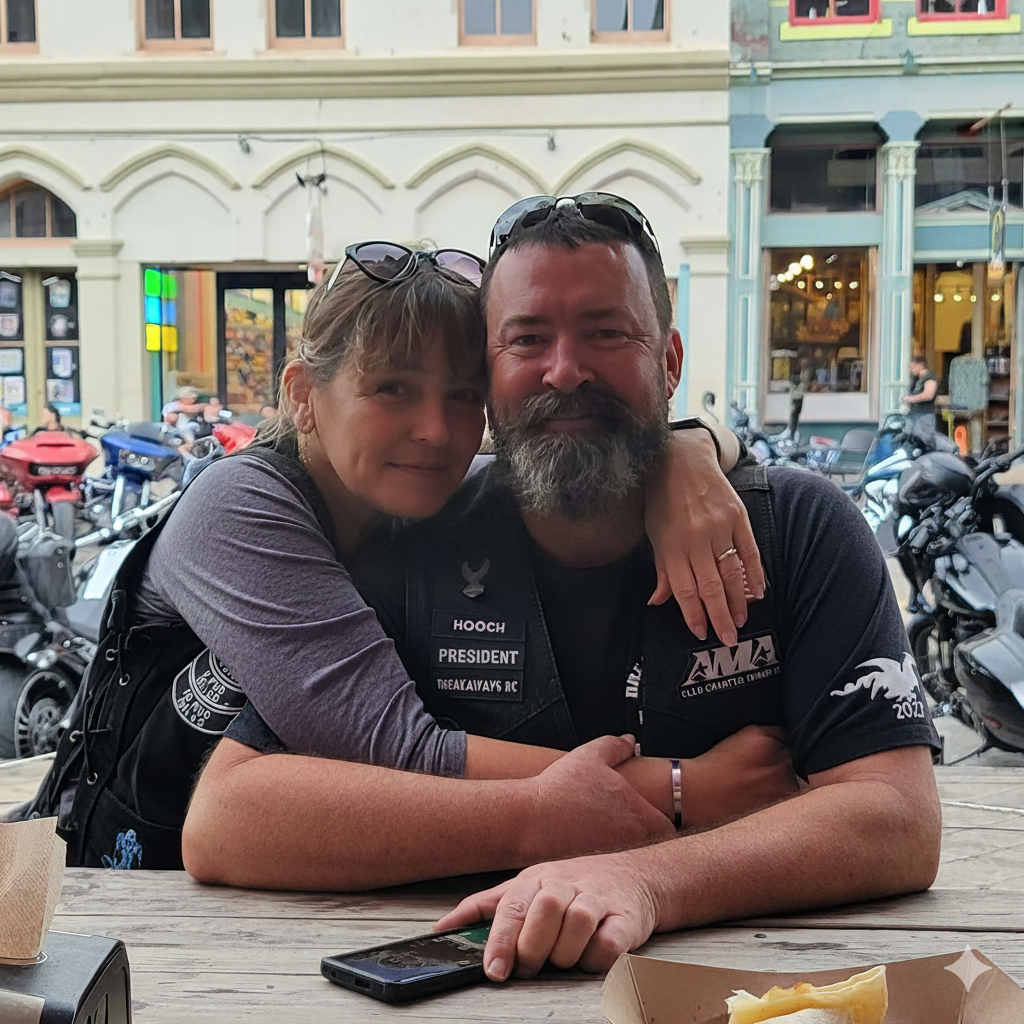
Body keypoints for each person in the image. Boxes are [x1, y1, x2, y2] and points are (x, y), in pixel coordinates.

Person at [182, 195, 940, 947]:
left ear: (669, 362)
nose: (566, 371)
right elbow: (227, 820)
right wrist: (601, 810)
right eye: (527, 339)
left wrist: (646, 880)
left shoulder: (795, 529)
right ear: (491, 375)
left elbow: (897, 819)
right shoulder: (409, 542)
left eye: (606, 333)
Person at [19, 236, 765, 873]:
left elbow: (620, 453)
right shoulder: (238, 506)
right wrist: (683, 789)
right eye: (393, 389)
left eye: (463, 395)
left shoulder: (413, 494)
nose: (436, 431)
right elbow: (393, 746)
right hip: (115, 891)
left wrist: (687, 450)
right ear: (303, 394)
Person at [903, 355, 938, 423]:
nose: (911, 370)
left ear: (920, 365)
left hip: (925, 415)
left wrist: (909, 399)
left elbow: (928, 395)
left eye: (912, 367)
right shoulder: (917, 380)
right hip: (917, 415)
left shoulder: (929, 378)